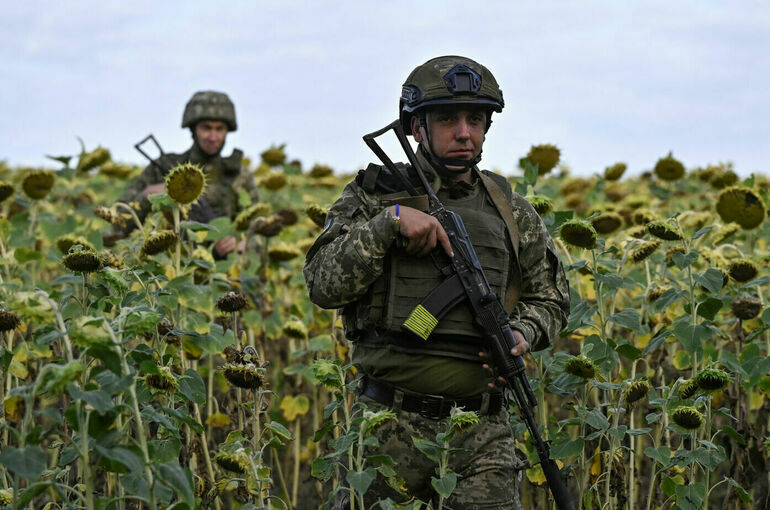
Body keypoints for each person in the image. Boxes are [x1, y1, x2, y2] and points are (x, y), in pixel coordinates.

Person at [303, 55, 570, 509]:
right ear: (416, 128)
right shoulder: (374, 194)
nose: (464, 132)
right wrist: (388, 223)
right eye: (448, 118)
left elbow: (552, 298)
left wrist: (522, 332)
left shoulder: (510, 209)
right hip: (387, 427)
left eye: (475, 119)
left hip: (483, 434)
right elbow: (323, 285)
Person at [115, 90, 260, 257]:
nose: (213, 137)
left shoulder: (239, 176)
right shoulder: (163, 167)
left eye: (219, 129)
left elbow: (258, 230)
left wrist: (242, 242)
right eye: (206, 128)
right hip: (168, 268)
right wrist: (148, 196)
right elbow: (119, 225)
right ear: (193, 129)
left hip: (220, 275)